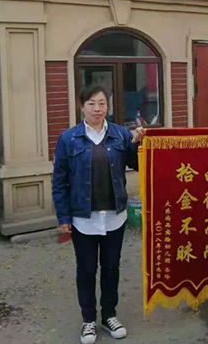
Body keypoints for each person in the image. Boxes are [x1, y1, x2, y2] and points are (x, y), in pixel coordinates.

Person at [52, 85, 144, 343]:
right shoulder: (69, 138)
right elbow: (59, 180)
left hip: (114, 216)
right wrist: (63, 217)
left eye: (102, 103)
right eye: (91, 103)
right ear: (82, 106)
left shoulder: (120, 134)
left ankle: (109, 315)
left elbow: (137, 164)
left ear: (108, 106)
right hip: (84, 218)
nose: (97, 108)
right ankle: (89, 320)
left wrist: (138, 143)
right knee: (86, 269)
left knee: (111, 268)